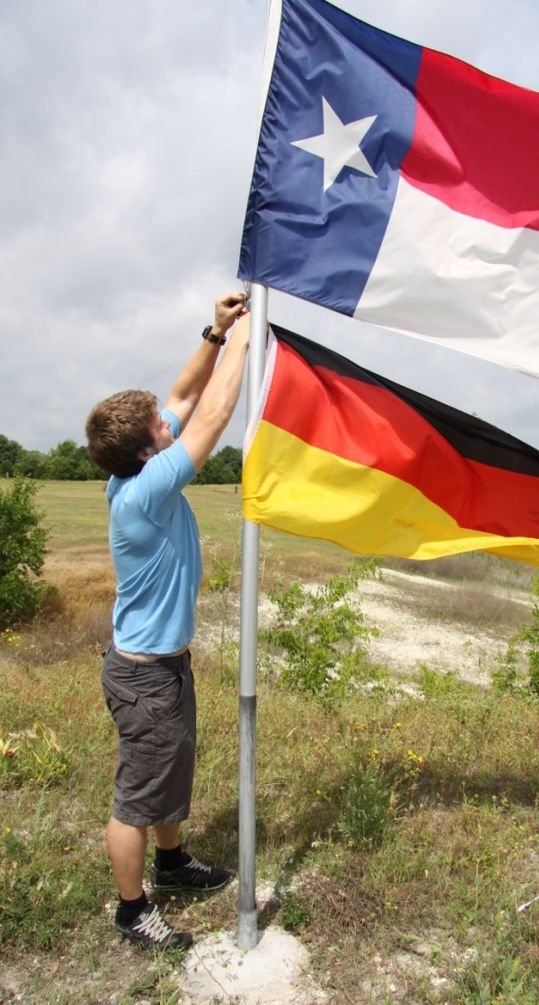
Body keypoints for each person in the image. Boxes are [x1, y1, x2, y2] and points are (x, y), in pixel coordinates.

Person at [85, 294, 250, 950]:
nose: (169, 418)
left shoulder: (135, 469)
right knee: (138, 794)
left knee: (171, 770)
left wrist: (216, 331)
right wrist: (249, 336)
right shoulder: (149, 492)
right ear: (150, 450)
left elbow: (187, 392)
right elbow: (212, 414)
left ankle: (173, 862)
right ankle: (132, 910)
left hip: (164, 666)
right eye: (159, 421)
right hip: (145, 677)